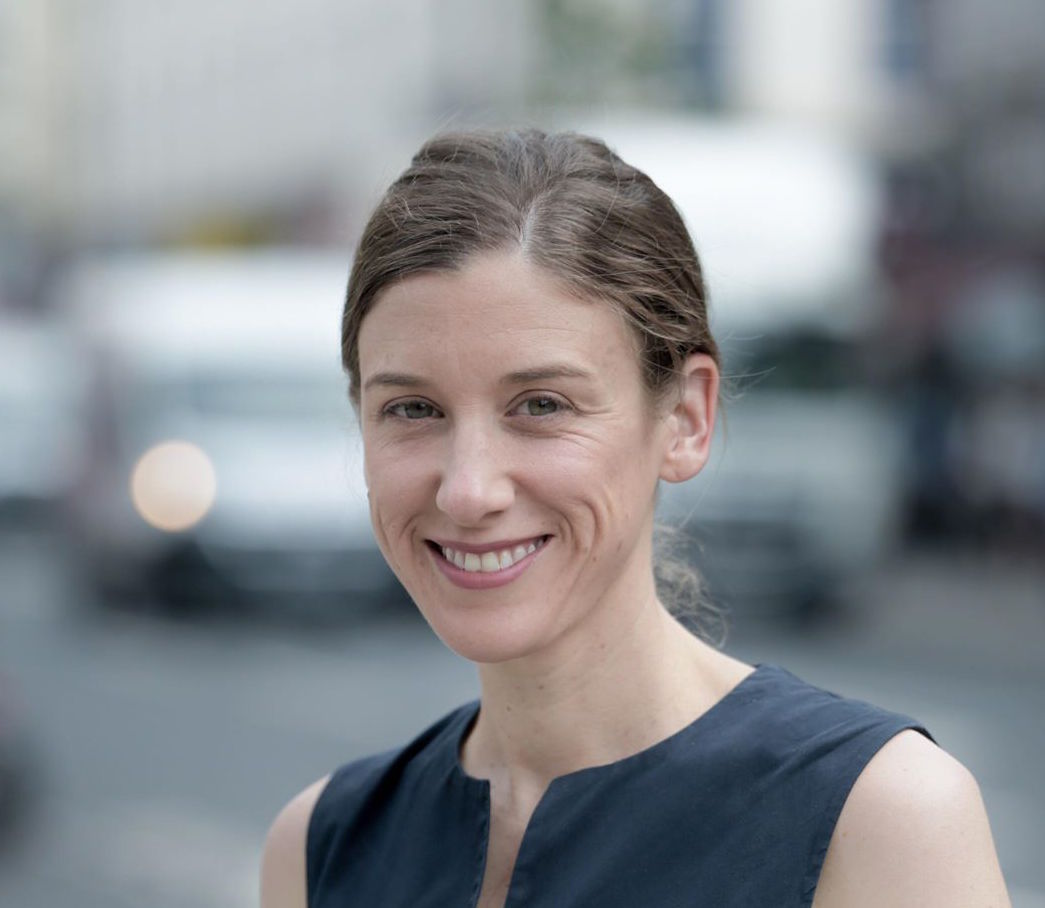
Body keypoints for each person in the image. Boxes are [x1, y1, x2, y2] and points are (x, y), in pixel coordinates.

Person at [261, 128, 1010, 907]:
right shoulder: (322, 846)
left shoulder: (879, 816)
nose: (467, 489)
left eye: (542, 405)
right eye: (412, 408)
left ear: (686, 417)